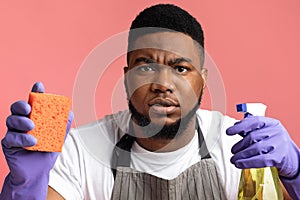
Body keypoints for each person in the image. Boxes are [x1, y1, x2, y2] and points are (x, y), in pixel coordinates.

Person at [1, 3, 299, 200]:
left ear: (203, 80)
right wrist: (24, 186)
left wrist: (296, 174)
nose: (162, 84)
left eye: (181, 69)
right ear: (127, 76)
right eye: (145, 66)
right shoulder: (79, 150)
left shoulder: (242, 147)